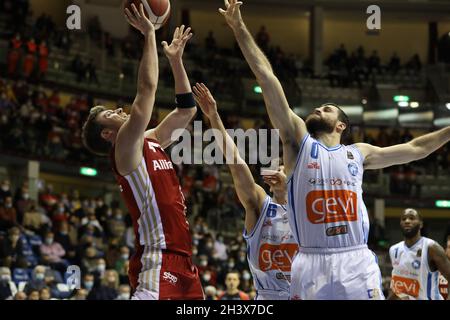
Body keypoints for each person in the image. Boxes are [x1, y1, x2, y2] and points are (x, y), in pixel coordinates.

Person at [220, 0, 450, 300]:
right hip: (309, 260)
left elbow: (417, 147)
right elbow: (267, 78)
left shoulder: (359, 152)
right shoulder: (297, 144)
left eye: (326, 108)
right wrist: (239, 28)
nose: (318, 108)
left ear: (341, 125)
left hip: (354, 258)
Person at [82, 4, 201, 300]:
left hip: (185, 262)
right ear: (108, 134)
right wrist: (149, 34)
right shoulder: (124, 149)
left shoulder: (150, 140)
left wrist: (175, 61)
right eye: (111, 113)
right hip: (158, 259)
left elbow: (186, 111)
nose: (119, 110)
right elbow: (146, 91)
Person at [193, 83, 298, 300]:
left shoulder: (305, 212)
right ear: (269, 180)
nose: (279, 172)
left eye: (284, 169)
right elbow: (235, 162)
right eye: (276, 168)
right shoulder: (260, 204)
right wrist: (214, 117)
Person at [388, 209, 450, 300]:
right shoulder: (394, 250)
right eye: (404, 219)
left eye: (412, 218)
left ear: (421, 224)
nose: (407, 221)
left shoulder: (431, 247)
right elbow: (397, 288)